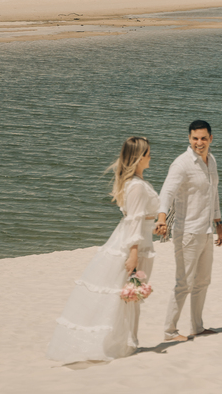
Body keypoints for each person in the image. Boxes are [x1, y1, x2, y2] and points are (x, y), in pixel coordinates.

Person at [46, 136, 163, 363]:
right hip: (135, 246)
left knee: (129, 295)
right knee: (128, 295)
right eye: (148, 153)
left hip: (136, 242)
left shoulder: (136, 182)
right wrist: (134, 254)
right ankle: (122, 345)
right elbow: (134, 221)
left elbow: (138, 218)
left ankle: (126, 342)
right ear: (139, 157)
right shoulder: (137, 186)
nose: (151, 156)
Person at [155, 119, 222, 342]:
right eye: (195, 138)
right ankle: (169, 331)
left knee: (203, 281)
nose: (199, 142)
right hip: (186, 232)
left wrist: (219, 224)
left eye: (204, 138)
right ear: (189, 139)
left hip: (205, 231)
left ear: (211, 139)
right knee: (183, 283)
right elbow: (166, 192)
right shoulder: (181, 164)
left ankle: (197, 326)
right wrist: (162, 218)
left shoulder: (211, 161)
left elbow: (213, 195)